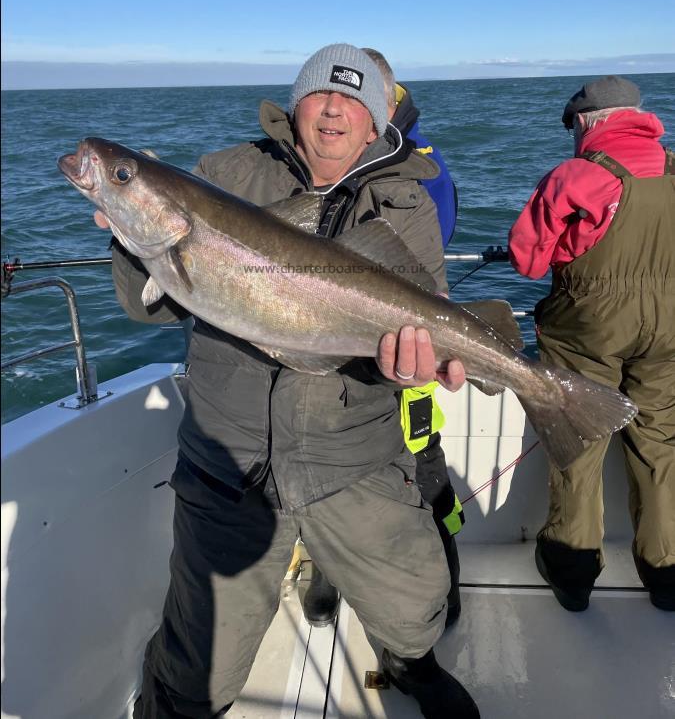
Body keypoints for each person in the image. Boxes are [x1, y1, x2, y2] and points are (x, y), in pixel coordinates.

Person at [100, 44, 480, 718]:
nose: (333, 108)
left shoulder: (406, 201)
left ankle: (410, 661)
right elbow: (144, 303)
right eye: (317, 95)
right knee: (200, 665)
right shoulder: (225, 172)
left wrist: (404, 365)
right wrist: (130, 238)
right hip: (231, 452)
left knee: (414, 605)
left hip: (354, 451)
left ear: (376, 122)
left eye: (353, 100)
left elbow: (421, 317)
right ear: (293, 108)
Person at [302, 48, 466, 632]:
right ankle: (328, 574)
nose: (344, 110)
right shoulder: (312, 163)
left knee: (424, 472)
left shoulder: (423, 166)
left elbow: (435, 241)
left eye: (374, 97)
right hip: (334, 352)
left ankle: (443, 576)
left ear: (388, 104)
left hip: (409, 348)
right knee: (334, 479)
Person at [508, 75, 675, 612]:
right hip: (671, 327)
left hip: (589, 329)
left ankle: (572, 571)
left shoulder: (578, 175)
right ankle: (667, 574)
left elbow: (528, 260)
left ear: (584, 122)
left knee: (578, 442)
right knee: (660, 444)